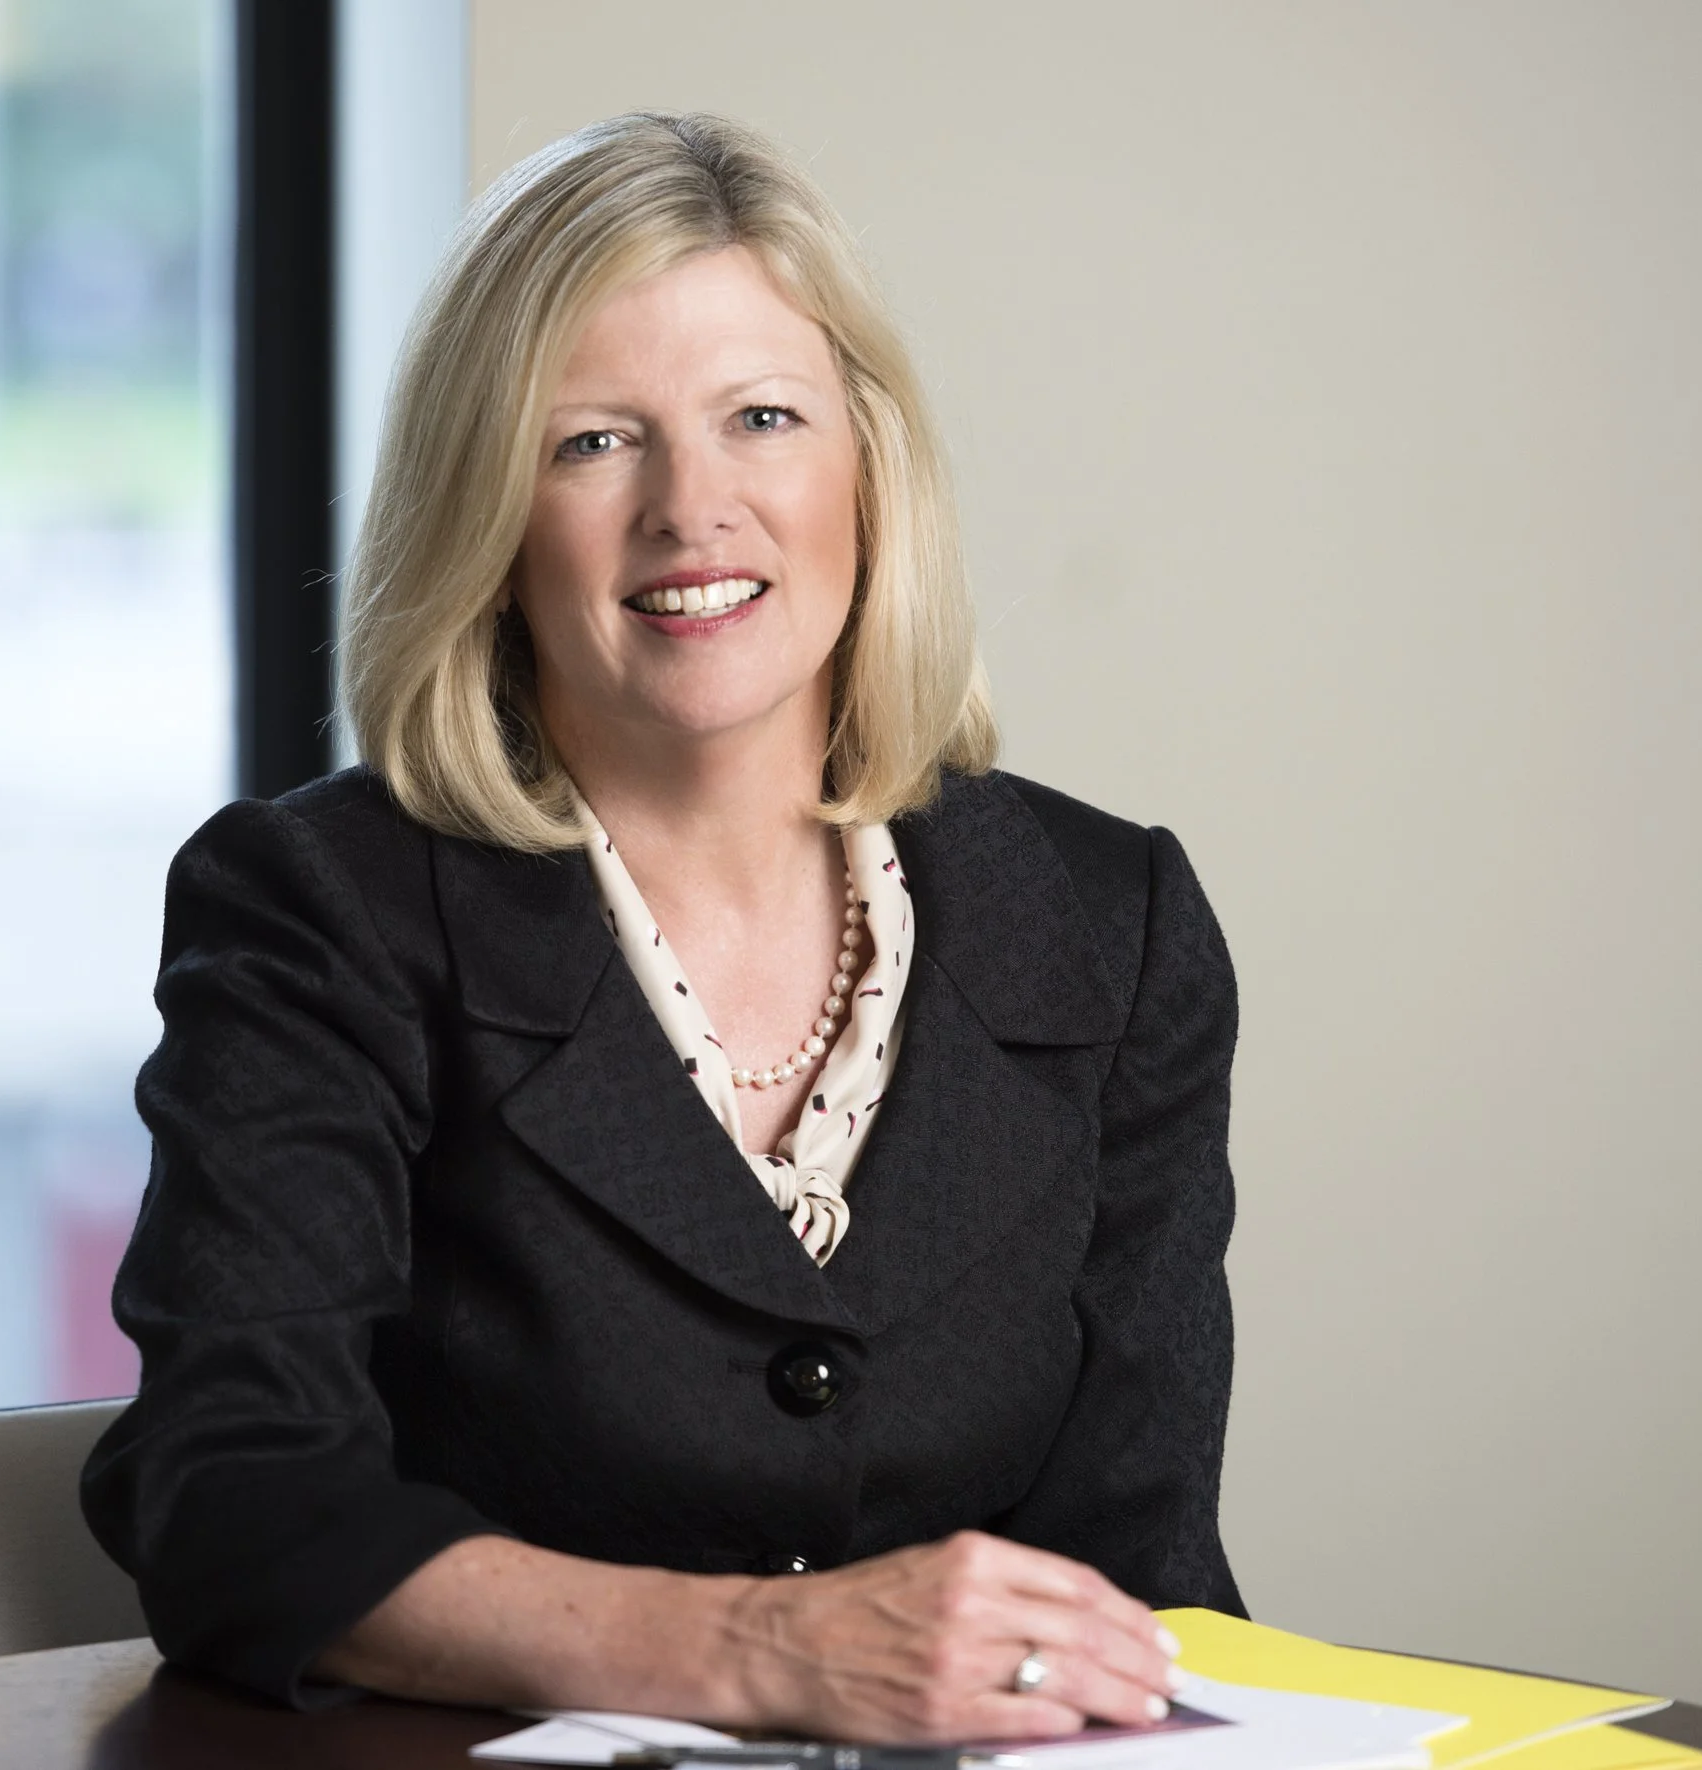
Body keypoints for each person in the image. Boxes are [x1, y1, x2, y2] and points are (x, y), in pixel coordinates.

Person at [81, 110, 1245, 1745]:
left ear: (868, 465)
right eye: (591, 443)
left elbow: (1141, 1567)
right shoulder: (320, 911)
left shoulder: (1109, 926)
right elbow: (236, 1499)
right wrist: (764, 1651)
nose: (693, 509)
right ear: (489, 522)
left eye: (762, 417)